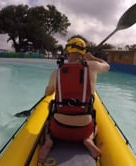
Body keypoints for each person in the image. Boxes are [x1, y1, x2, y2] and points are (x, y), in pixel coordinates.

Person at [38, 36, 110, 164]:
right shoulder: (92, 66)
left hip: (58, 130)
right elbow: (107, 66)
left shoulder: (56, 73)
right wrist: (92, 58)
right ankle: (89, 139)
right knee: (95, 123)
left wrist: (53, 86)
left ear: (67, 52)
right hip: (84, 130)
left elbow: (48, 93)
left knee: (49, 117)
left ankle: (49, 141)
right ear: (83, 52)